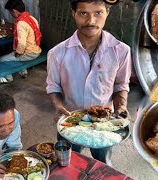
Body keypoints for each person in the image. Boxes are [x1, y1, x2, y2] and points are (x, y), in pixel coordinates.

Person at [46, 0, 132, 164]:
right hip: (70, 121)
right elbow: (53, 85)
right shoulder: (57, 53)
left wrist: (121, 106)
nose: (91, 21)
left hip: (104, 122)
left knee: (103, 161)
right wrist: (57, 106)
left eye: (98, 13)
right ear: (74, 14)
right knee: (69, 163)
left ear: (108, 12)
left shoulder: (121, 51)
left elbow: (121, 84)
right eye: (83, 13)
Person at [0, 0, 42, 83]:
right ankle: (23, 72)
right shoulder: (31, 18)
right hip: (36, 49)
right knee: (14, 53)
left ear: (14, 11)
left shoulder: (21, 23)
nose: (11, 14)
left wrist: (18, 53)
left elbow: (22, 44)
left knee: (2, 59)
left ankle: (8, 78)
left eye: (10, 12)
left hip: (29, 54)